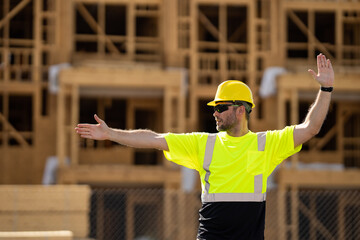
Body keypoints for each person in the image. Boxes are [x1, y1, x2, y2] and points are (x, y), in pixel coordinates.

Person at [75, 53, 334, 240]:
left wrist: (326, 89)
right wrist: (110, 134)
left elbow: (310, 128)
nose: (215, 114)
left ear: (241, 110)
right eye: (214, 109)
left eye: (221, 108)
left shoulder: (266, 144)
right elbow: (153, 138)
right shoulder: (203, 144)